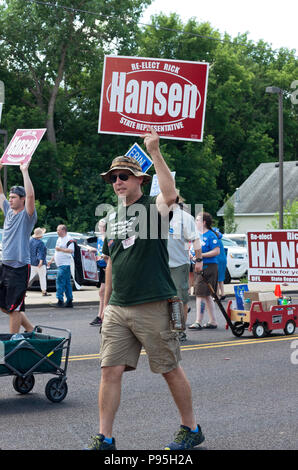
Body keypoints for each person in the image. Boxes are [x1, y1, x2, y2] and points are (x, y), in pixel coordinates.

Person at [85, 127, 205, 451]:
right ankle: (104, 438)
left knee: (169, 369)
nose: (118, 181)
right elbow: (111, 263)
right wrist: (105, 305)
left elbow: (172, 195)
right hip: (119, 309)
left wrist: (155, 151)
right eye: (113, 177)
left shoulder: (154, 208)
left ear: (139, 179)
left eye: (124, 175)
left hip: (153, 304)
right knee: (109, 370)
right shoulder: (112, 218)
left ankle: (191, 428)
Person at [0, 161, 37, 334]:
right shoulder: (8, 210)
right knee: (4, 305)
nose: (11, 199)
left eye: (14, 197)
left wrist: (25, 171)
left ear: (22, 200)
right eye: (11, 196)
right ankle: (30, 329)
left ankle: (13, 343)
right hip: (5, 265)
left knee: (14, 308)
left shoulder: (27, 216)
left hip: (20, 266)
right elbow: (0, 193)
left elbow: (30, 197)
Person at [168, 198, 202, 342]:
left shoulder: (185, 217)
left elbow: (195, 239)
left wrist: (199, 260)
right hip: (159, 265)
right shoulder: (155, 215)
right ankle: (164, 330)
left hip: (179, 265)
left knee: (180, 299)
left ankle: (180, 331)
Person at [189, 212, 220, 330]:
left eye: (197, 220)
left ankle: (198, 321)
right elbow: (192, 248)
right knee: (206, 296)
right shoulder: (196, 235)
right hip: (197, 266)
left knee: (200, 294)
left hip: (207, 267)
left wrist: (201, 255)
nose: (195, 222)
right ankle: (213, 321)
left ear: (203, 222)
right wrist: (192, 256)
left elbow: (216, 251)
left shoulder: (211, 235)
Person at [48, 224, 74, 308]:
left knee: (59, 281)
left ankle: (60, 300)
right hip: (60, 264)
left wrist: (60, 249)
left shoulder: (69, 239)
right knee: (66, 283)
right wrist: (51, 260)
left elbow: (71, 250)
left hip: (65, 264)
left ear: (63, 230)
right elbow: (56, 251)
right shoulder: (59, 239)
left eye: (58, 230)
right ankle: (69, 300)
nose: (57, 231)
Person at [89, 219, 107, 326]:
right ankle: (101, 316)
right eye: (100, 226)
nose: (101, 228)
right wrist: (95, 251)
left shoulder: (109, 238)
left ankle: (102, 316)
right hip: (102, 267)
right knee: (102, 293)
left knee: (103, 293)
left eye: (103, 226)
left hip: (108, 267)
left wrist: (102, 257)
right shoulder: (101, 238)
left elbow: (109, 253)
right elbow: (102, 252)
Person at [28, 227, 50, 296]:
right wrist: (40, 262)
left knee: (28, 277)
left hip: (31, 262)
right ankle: (44, 291)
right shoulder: (41, 243)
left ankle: (22, 291)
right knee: (42, 277)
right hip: (40, 264)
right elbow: (41, 253)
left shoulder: (30, 241)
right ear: (40, 235)